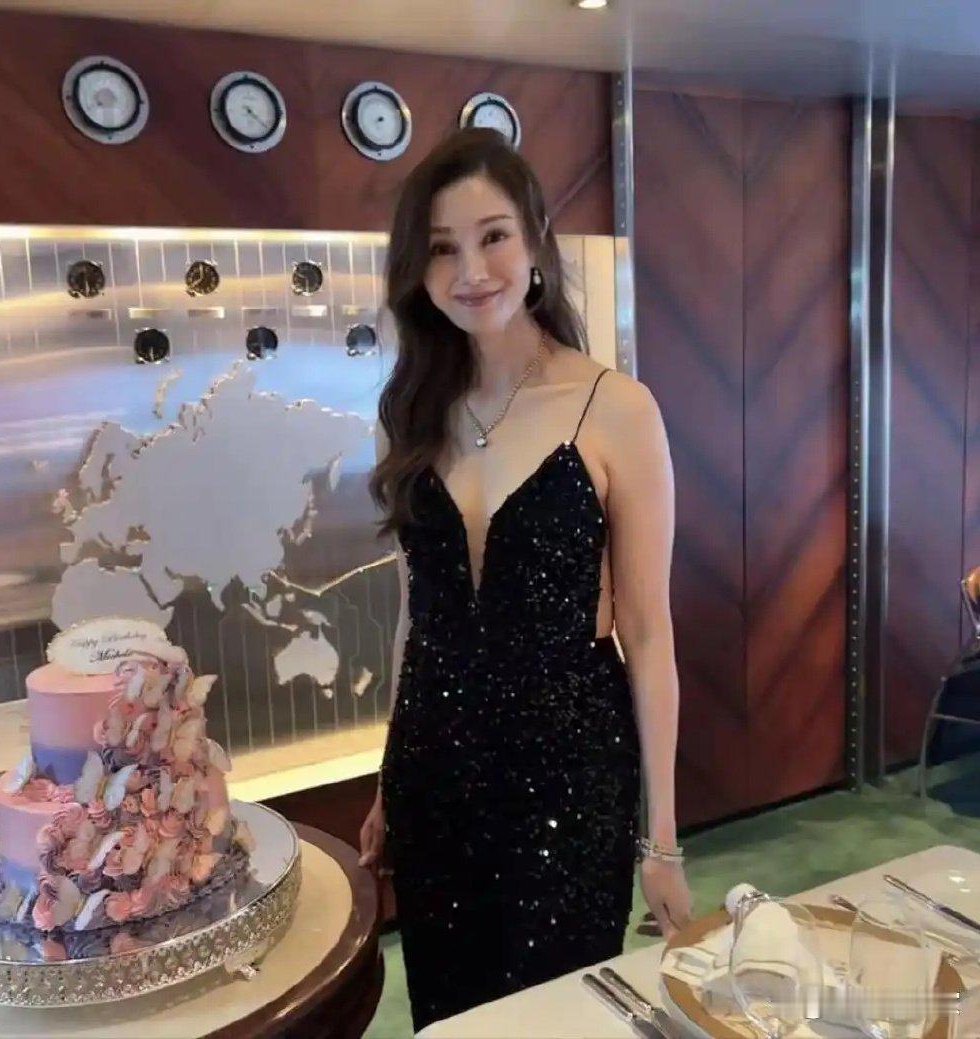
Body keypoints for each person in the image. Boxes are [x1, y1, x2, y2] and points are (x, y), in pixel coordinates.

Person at [360, 127, 692, 1033]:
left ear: (537, 239)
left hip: (569, 771)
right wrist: (390, 775)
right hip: (436, 770)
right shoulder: (410, 411)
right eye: (442, 248)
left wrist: (661, 839)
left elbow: (649, 634)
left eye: (493, 236)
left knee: (558, 1012)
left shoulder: (616, 407)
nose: (471, 271)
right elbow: (415, 616)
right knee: (448, 1009)